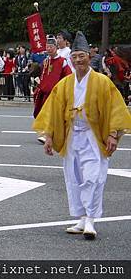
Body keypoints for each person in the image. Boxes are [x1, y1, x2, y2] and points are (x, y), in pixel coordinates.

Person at [33, 31, 131, 240]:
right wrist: (49, 136)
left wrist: (113, 134)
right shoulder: (65, 84)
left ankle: (91, 220)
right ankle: (81, 217)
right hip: (72, 137)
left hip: (93, 137)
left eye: (82, 56)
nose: (78, 60)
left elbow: (114, 108)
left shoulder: (102, 82)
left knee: (93, 178)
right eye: (75, 57)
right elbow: (53, 111)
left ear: (89, 56)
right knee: (74, 178)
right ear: (71, 59)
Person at [33, 35, 72, 142]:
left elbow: (68, 77)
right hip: (45, 92)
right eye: (47, 47)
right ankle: (46, 133)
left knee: (52, 114)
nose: (49, 49)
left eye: (51, 47)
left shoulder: (62, 61)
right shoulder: (46, 61)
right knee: (44, 113)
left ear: (56, 48)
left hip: (56, 93)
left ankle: (48, 135)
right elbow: (43, 76)